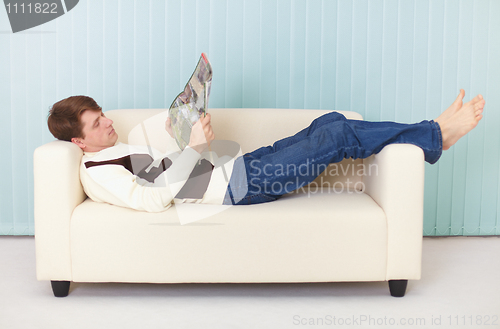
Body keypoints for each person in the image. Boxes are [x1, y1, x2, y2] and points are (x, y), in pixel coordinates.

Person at [47, 90, 485, 211]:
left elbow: (164, 170)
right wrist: (194, 151)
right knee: (335, 139)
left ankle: (431, 134)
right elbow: (150, 199)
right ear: (77, 142)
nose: (107, 122)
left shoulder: (114, 146)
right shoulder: (97, 172)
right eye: (96, 123)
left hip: (234, 167)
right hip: (241, 187)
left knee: (329, 121)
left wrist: (185, 135)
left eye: (102, 113)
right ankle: (436, 135)